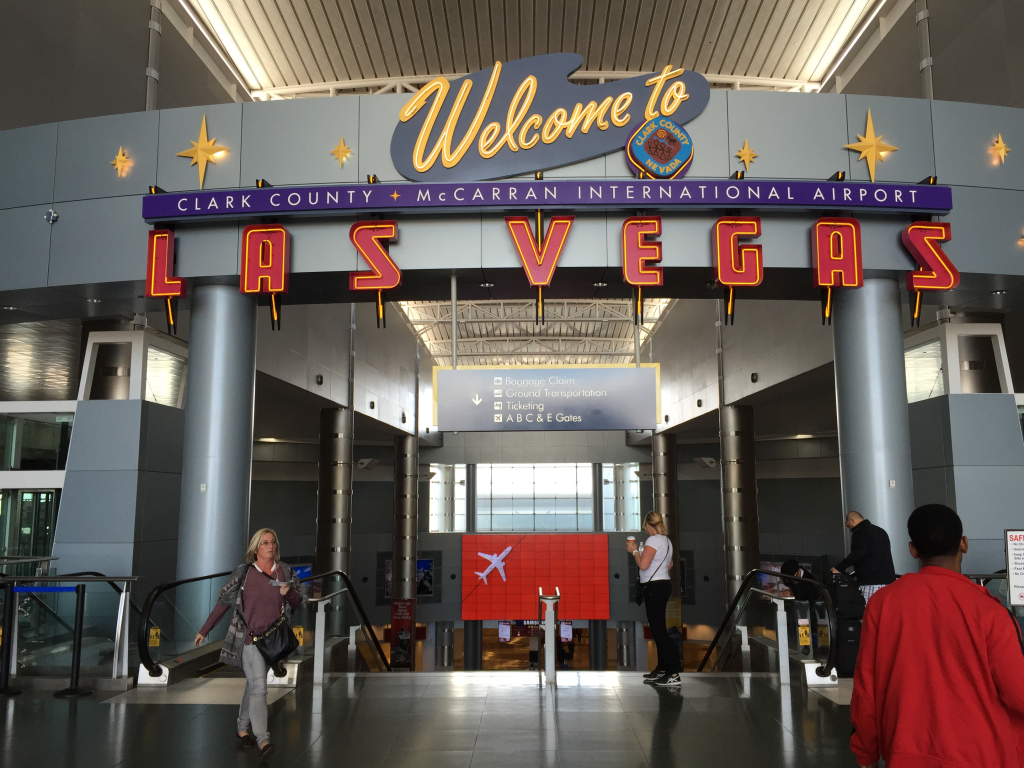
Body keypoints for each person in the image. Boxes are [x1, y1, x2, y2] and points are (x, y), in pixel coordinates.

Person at [850, 504, 1024, 768]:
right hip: (983, 756)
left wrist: (866, 754)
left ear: (913, 549)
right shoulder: (991, 613)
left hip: (905, 756)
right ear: (964, 544)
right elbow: (1018, 692)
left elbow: (866, 689)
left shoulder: (882, 604)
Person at [194, 528, 302, 759]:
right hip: (249, 639)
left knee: (253, 685)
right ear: (255, 549)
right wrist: (204, 630)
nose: (270, 546)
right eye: (265, 543)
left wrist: (288, 592)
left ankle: (242, 728)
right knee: (259, 688)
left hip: (273, 640)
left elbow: (297, 600)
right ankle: (263, 740)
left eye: (273, 542)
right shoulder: (243, 573)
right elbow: (223, 603)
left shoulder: (285, 571)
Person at [626, 511, 679, 686]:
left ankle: (673, 673)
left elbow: (643, 565)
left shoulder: (653, 540)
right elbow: (669, 564)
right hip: (664, 585)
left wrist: (634, 551)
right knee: (659, 629)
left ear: (648, 525)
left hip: (654, 588)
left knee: (659, 632)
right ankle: (662, 668)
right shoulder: (667, 541)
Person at [831, 511, 897, 602]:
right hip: (889, 583)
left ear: (853, 520)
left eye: (848, 526)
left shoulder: (860, 532)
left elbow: (857, 553)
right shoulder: (881, 531)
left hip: (871, 583)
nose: (849, 530)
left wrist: (839, 567)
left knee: (868, 610)